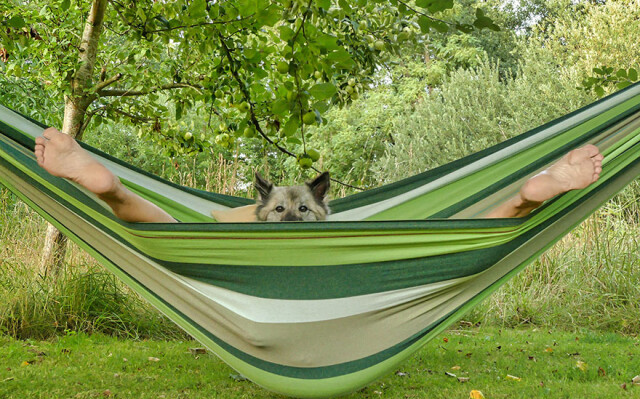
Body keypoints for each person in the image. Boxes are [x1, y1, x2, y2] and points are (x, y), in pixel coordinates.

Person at [34, 127, 604, 222]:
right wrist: (253, 215)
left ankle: (529, 198)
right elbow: (215, 218)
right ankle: (110, 187)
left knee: (444, 229)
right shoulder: (250, 220)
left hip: (338, 276)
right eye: (279, 208)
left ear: (321, 205)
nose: (289, 215)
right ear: (264, 206)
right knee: (180, 231)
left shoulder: (331, 222)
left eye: (300, 208)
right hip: (238, 251)